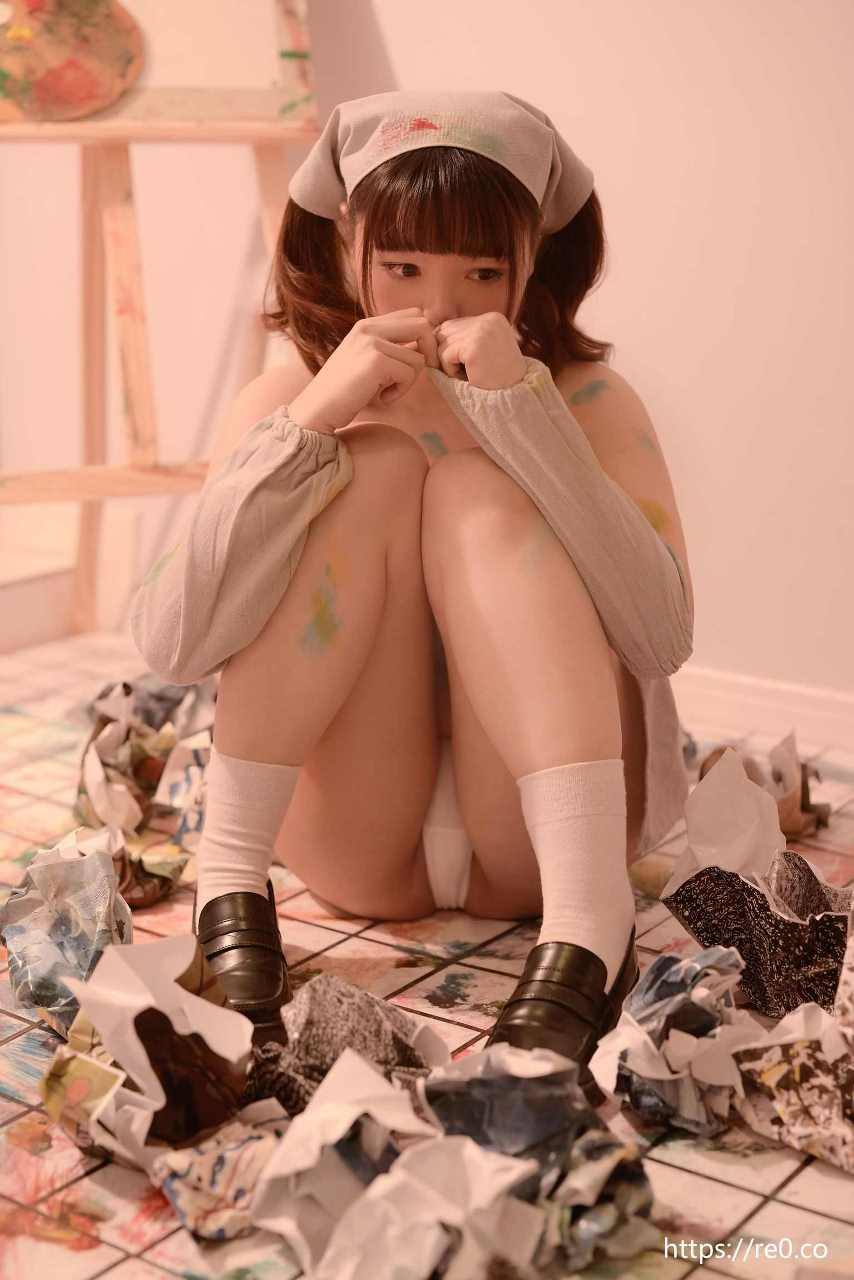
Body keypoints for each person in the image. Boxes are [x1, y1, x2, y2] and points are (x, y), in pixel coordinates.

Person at [130, 90, 694, 1087]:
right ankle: (230, 882)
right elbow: (171, 646)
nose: (438, 309)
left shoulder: (588, 400)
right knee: (368, 466)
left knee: (477, 485)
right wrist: (310, 423)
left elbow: (659, 638)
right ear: (346, 244)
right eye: (402, 268)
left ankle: (588, 927)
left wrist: (524, 420)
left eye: (482, 272)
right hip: (354, 843)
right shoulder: (288, 393)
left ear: (532, 260)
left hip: (538, 850)